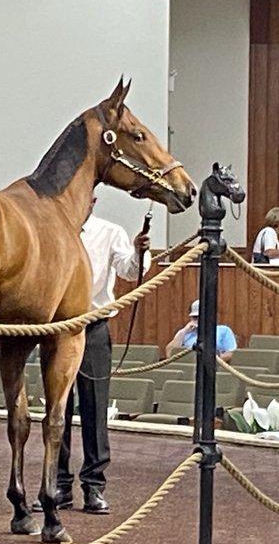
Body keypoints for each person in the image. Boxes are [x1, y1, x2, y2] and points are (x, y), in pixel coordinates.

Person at [41, 196, 149, 516]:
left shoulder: (109, 232)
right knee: (57, 407)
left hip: (94, 324)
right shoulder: (54, 232)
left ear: (94, 200)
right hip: (57, 327)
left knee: (95, 406)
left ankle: (94, 485)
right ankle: (59, 484)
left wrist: (140, 251)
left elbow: (130, 271)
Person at [165, 299, 237, 362]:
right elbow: (169, 354)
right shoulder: (185, 333)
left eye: (202, 317)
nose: (199, 320)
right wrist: (183, 332)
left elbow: (231, 354)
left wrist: (209, 361)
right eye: (195, 318)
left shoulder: (224, 330)